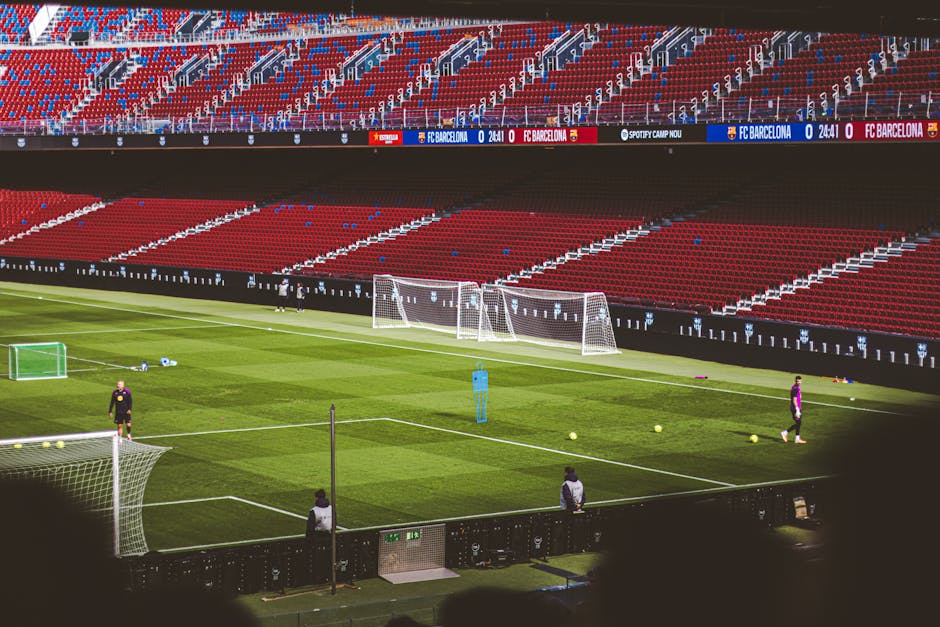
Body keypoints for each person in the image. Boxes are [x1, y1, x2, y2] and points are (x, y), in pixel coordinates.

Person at [781, 375, 806, 443]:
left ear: (801, 381)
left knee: (799, 423)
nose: (799, 382)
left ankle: (797, 438)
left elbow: (799, 397)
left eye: (799, 381)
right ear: (795, 381)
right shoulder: (795, 389)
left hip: (796, 407)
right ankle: (785, 432)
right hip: (795, 408)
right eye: (797, 381)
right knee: (798, 423)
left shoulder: (797, 387)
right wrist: (797, 409)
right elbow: (794, 400)